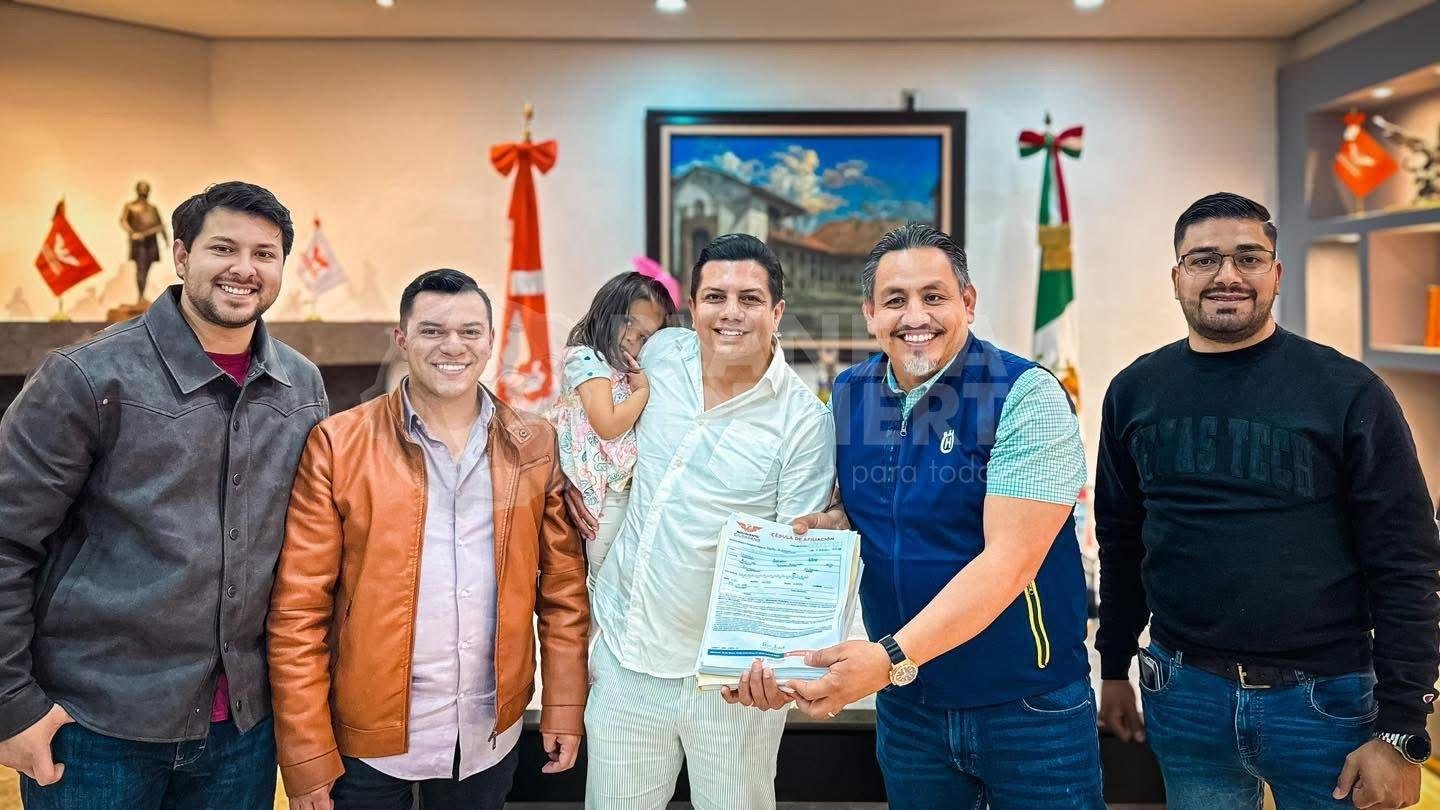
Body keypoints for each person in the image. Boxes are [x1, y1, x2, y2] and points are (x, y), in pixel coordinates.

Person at [1095, 192, 1440, 810]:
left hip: (1326, 702)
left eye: (1248, 258)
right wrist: (1115, 665)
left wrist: (1401, 729)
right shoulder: (1135, 391)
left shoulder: (1349, 393)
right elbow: (1122, 540)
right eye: (1204, 259)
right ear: (1176, 277)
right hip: (1184, 693)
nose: (1227, 275)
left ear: (1275, 273)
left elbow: (1406, 563)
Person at [0, 181, 326, 808]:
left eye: (264, 254)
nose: (244, 268)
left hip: (243, 732)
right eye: (223, 248)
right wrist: (10, 703)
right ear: (180, 256)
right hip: (96, 727)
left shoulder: (302, 386)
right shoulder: (86, 377)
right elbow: (7, 541)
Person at [784, 223, 1104, 808]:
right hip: (911, 710)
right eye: (895, 300)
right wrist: (835, 525)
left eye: (934, 296)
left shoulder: (1025, 394)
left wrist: (888, 659)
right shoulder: (849, 394)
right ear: (870, 314)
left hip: (1027, 707)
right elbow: (883, 513)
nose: (915, 316)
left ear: (968, 302)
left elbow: (1008, 562)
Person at [269, 268, 589, 810]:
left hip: (487, 735)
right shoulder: (339, 444)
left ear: (490, 340)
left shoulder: (534, 445)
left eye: (469, 331)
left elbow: (563, 593)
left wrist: (562, 705)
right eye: (433, 331)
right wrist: (305, 754)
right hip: (364, 741)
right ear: (402, 338)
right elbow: (298, 611)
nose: (453, 346)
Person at [577, 234, 835, 809]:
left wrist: (774, 671)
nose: (730, 312)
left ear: (777, 312)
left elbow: (792, 563)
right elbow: (587, 406)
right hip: (626, 662)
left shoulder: (803, 423)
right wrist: (572, 479)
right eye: (715, 297)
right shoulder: (659, 355)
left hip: (731, 685)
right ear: (692, 307)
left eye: (750, 298)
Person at [547, 270, 676, 587]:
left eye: (644, 336)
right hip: (602, 495)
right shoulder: (586, 359)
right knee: (604, 579)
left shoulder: (622, 369)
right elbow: (607, 425)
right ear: (606, 312)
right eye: (628, 322)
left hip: (621, 489)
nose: (632, 338)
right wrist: (641, 392)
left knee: (618, 577)